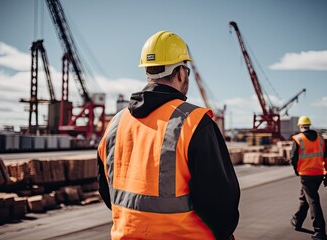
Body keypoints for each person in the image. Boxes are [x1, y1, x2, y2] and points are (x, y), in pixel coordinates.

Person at [97, 31, 240, 240]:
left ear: (148, 73)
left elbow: (106, 189)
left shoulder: (115, 124)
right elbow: (221, 203)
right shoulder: (194, 122)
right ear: (181, 73)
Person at [290, 116, 327, 240]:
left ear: (300, 126)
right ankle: (297, 221)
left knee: (313, 200)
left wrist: (297, 171)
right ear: (309, 125)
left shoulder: (298, 139)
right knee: (305, 198)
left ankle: (320, 231)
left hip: (306, 175)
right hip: (319, 174)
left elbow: (293, 159)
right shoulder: (320, 139)